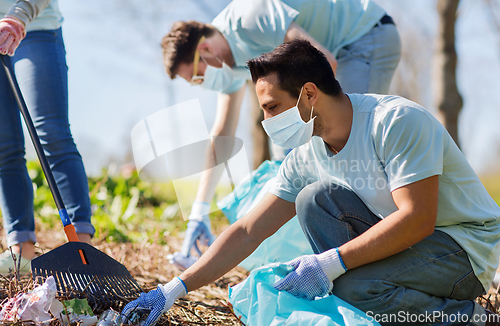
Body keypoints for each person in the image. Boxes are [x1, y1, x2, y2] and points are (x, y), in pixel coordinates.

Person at [123, 39, 500, 326]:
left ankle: (469, 318)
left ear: (308, 94)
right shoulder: (308, 154)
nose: (266, 121)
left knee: (352, 290)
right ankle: (378, 293)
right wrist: (174, 288)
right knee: (314, 199)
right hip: (411, 246)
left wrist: (330, 263)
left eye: (271, 107)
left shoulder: (394, 122)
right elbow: (248, 230)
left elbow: (419, 219)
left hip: (464, 250)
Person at [161, 0, 402, 270]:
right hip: (331, 53)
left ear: (205, 50)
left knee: (346, 137)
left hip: (365, 36)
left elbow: (326, 64)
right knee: (285, 160)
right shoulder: (225, 64)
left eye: (197, 78)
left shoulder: (251, 17)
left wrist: (305, 142)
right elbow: (222, 136)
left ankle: (382, 247)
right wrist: (199, 210)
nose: (202, 85)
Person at [0, 0, 95, 274]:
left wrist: (19, 16)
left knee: (51, 134)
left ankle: (81, 247)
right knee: (4, 147)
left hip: (35, 27)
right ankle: (22, 254)